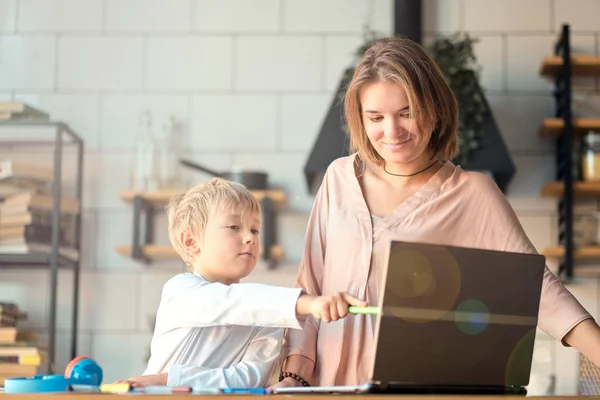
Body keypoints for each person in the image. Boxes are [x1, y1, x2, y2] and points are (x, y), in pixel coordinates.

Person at [272, 36, 600, 389]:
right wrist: (293, 375)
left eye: (406, 113)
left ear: (435, 109)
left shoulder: (472, 193)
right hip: (328, 388)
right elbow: (310, 286)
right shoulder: (338, 178)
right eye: (376, 117)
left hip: (417, 391)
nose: (391, 131)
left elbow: (539, 291)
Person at [119, 178, 366, 388]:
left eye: (255, 230)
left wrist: (173, 379)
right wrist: (308, 303)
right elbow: (232, 303)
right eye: (234, 227)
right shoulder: (180, 290)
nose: (249, 237)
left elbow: (248, 378)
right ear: (191, 242)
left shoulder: (267, 317)